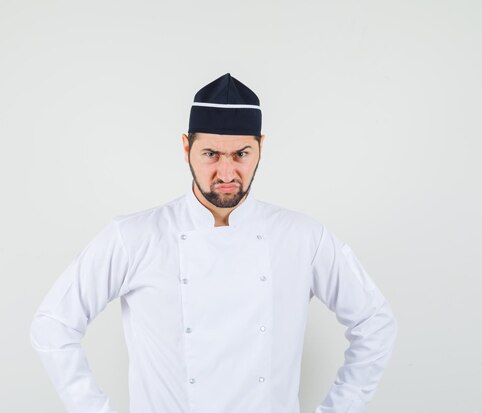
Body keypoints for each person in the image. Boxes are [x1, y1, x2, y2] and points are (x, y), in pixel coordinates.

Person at [29, 73, 398, 413]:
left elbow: (375, 322)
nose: (226, 173)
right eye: (211, 155)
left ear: (261, 148)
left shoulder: (302, 237)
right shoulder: (134, 237)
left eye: (241, 154)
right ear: (186, 146)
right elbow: (53, 324)